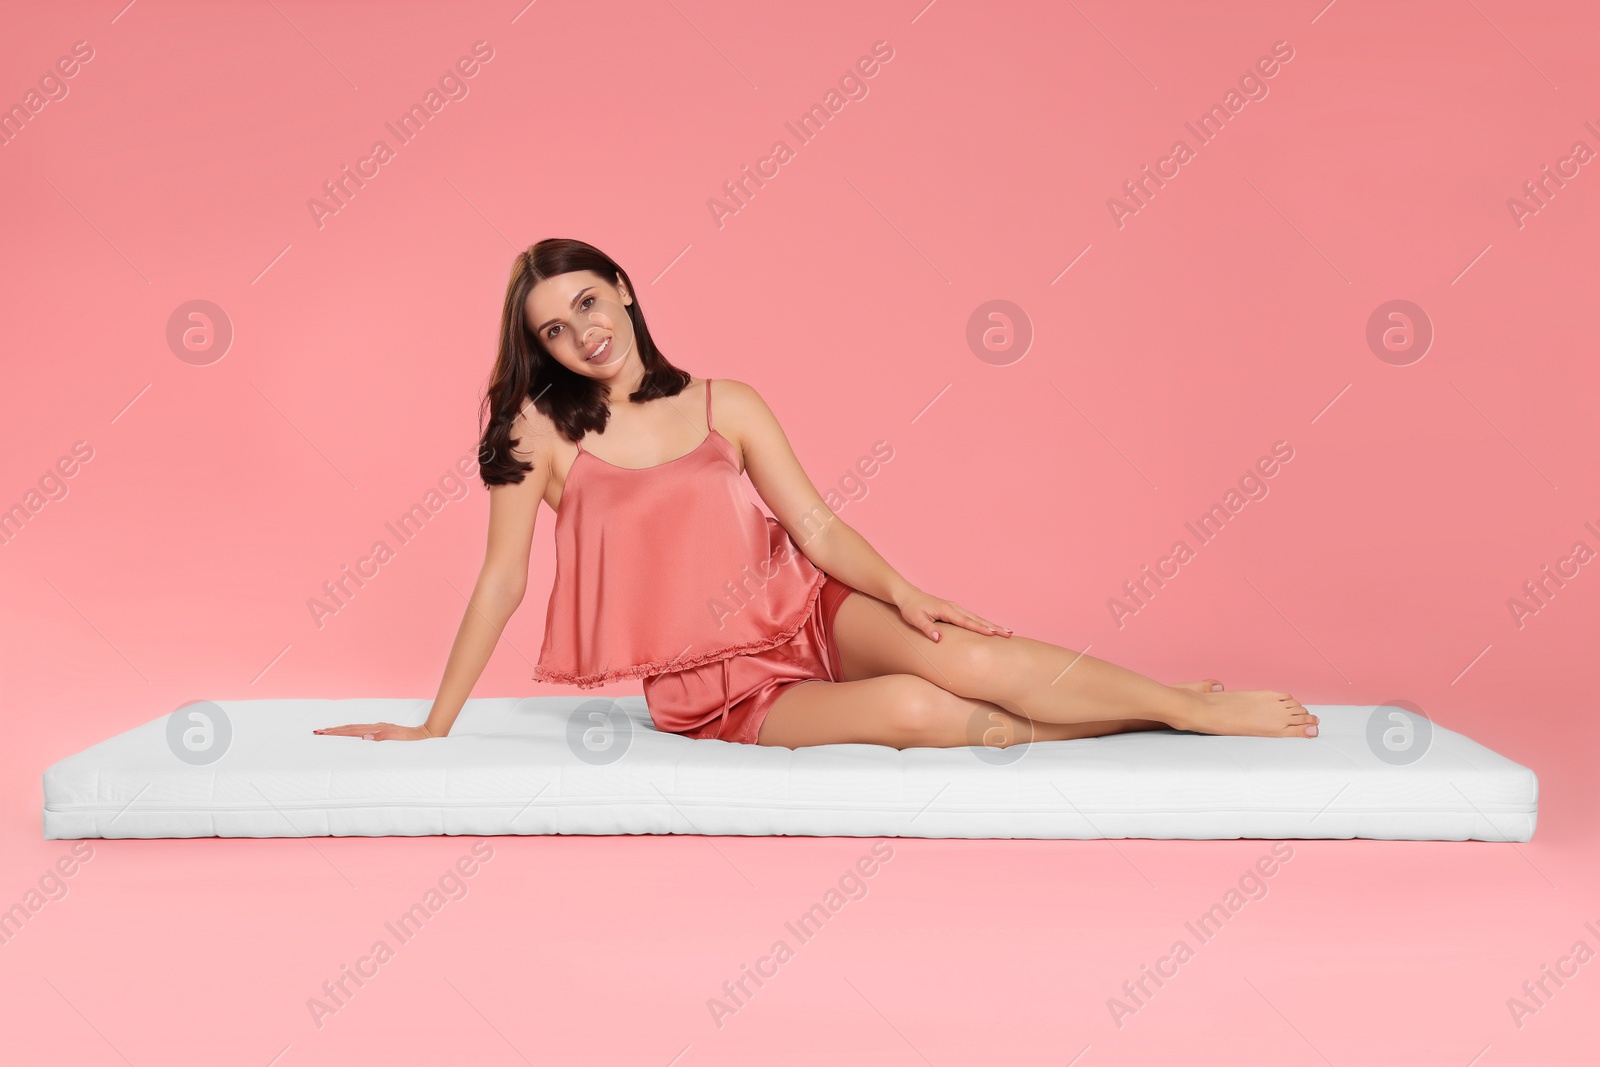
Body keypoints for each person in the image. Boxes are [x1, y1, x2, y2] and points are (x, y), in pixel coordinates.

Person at [315, 238, 1318, 750]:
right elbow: (499, 582)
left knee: (965, 651)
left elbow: (815, 524)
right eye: (552, 329)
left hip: (809, 609)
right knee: (924, 710)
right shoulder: (537, 434)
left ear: (622, 287)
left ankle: (1187, 707)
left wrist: (905, 590)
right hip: (718, 681)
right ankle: (1157, 715)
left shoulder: (726, 399)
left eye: (587, 301)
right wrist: (433, 722)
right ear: (540, 349)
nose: (581, 333)